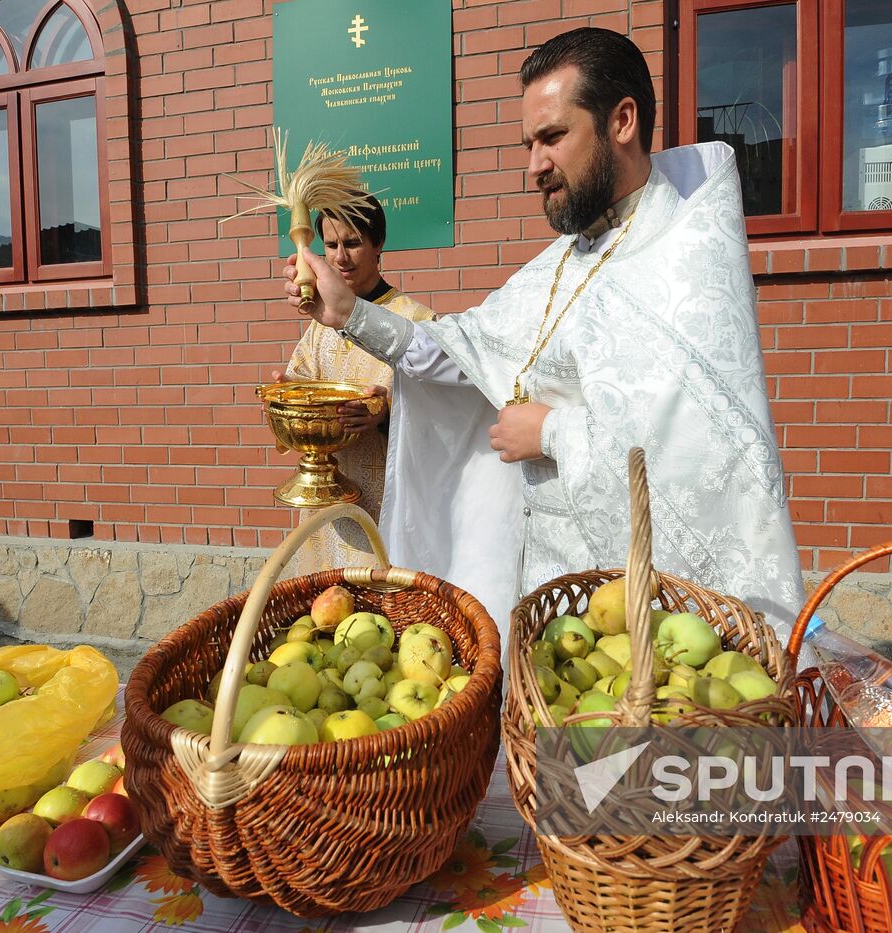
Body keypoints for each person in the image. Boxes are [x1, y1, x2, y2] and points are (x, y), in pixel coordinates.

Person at [283, 28, 805, 643]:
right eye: (529, 143)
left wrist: (552, 430)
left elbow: (710, 449)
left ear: (623, 121)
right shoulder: (562, 261)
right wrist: (349, 313)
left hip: (635, 607)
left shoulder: (684, 257)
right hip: (542, 587)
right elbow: (458, 353)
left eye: (552, 137)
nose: (534, 166)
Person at [272, 195, 432, 578]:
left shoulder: (416, 321)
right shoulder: (320, 324)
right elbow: (305, 380)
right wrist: (289, 394)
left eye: (353, 243)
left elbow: (441, 417)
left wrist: (385, 415)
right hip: (324, 509)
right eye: (331, 245)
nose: (341, 257)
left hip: (384, 507)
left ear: (378, 244)